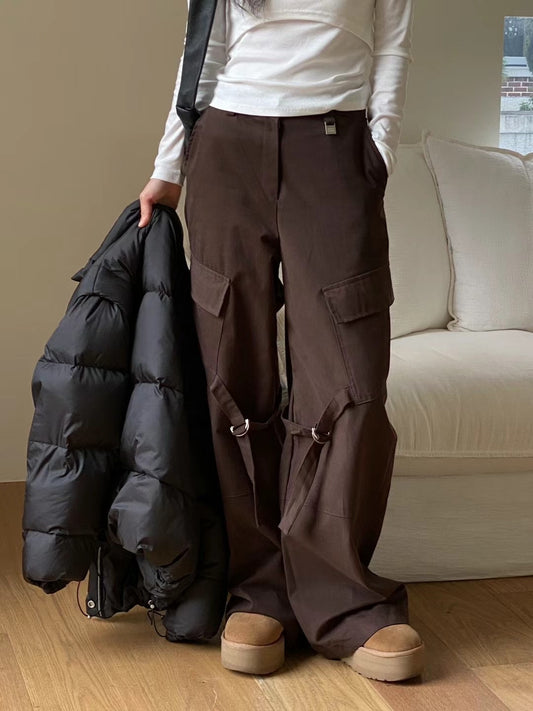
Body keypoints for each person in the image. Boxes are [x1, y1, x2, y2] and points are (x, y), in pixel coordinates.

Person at [139, 0, 425, 682]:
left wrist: (377, 153)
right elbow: (204, 51)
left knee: (350, 377)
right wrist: (170, 165)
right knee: (230, 371)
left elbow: (392, 44)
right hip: (226, 147)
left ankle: (344, 596)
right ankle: (258, 588)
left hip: (335, 150)